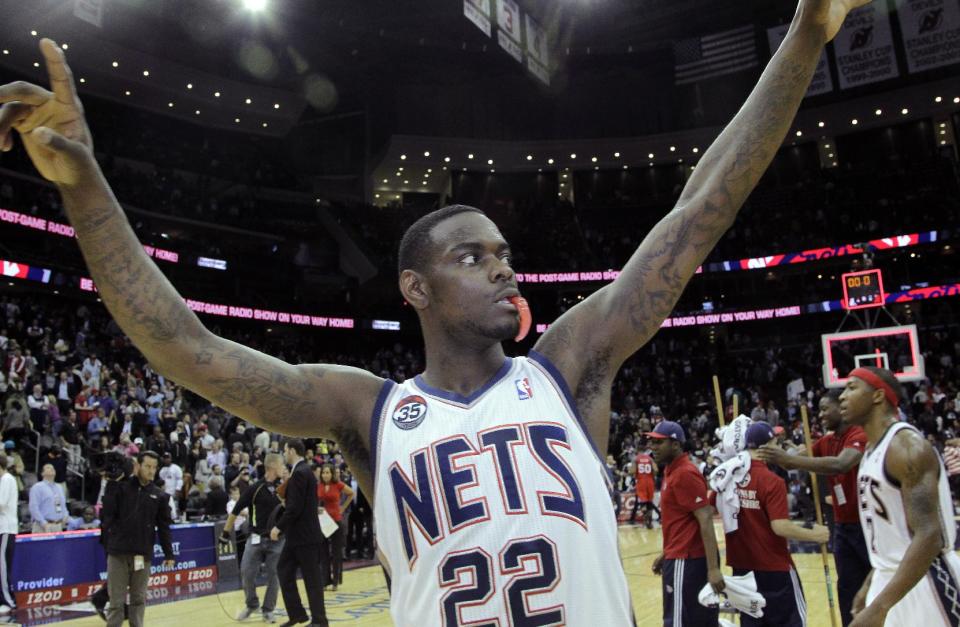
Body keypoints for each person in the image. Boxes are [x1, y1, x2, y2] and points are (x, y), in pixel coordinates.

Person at [0, 3, 870, 620]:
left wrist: (804, 35)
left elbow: (697, 211)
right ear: (414, 288)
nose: (504, 269)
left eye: (504, 254)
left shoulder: (566, 366)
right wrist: (86, 187)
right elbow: (186, 346)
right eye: (473, 256)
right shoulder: (367, 411)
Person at [839, 367, 960, 627]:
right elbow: (893, 535)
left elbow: (929, 536)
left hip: (926, 580)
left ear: (878, 396)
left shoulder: (906, 448)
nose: (842, 396)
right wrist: (871, 582)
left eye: (851, 388)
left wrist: (880, 606)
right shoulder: (872, 450)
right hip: (891, 580)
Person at [757, 390, 870, 625]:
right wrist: (768, 452)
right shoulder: (827, 441)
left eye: (825, 408)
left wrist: (788, 459)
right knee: (847, 587)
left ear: (841, 408)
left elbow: (841, 464)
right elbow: (796, 457)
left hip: (867, 525)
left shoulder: (858, 434)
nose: (821, 415)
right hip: (842, 526)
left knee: (874, 584)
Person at [721, 421, 830, 626]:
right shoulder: (772, 481)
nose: (780, 449)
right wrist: (815, 535)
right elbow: (779, 526)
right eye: (776, 443)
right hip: (774, 568)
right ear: (768, 446)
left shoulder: (728, 476)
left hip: (742, 570)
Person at [647, 421, 724, 626]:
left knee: (678, 621)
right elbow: (683, 521)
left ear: (675, 444)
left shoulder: (684, 473)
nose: (653, 447)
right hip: (678, 555)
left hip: (686, 560)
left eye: (658, 442)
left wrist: (713, 569)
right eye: (651, 442)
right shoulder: (671, 470)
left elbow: (705, 518)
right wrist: (666, 554)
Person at [100, 451, 175, 627]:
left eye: (154, 467)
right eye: (147, 466)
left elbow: (164, 528)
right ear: (138, 466)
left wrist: (169, 554)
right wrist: (111, 483)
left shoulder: (160, 496)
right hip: (118, 553)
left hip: (143, 554)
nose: (151, 471)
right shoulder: (121, 487)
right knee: (116, 601)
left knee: (139, 599)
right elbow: (108, 512)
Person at [221, 452, 285, 623]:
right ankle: (252, 604)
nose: (283, 469)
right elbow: (236, 510)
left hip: (278, 540)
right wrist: (225, 533)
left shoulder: (284, 489)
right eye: (281, 465)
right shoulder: (255, 488)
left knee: (274, 575)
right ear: (272, 467)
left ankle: (268, 610)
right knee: (246, 572)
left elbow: (292, 512)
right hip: (256, 537)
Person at [271, 439, 327, 627]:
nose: (284, 453)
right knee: (283, 570)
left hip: (305, 536)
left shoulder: (301, 473)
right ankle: (297, 614)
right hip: (297, 536)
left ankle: (319, 621)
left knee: (312, 579)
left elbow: (295, 508)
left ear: (293, 451)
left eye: (285, 450)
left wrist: (278, 527)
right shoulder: (301, 472)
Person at [317, 463, 354, 590]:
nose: (325, 475)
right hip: (323, 522)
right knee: (323, 553)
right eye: (323, 472)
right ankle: (325, 581)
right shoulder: (319, 486)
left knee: (336, 552)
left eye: (327, 472)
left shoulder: (337, 484)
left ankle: (336, 581)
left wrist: (343, 507)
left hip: (336, 521)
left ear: (332, 474)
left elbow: (351, 493)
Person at [0, 453, 17, 614]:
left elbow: (1, 503)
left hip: (6, 528)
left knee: (3, 566)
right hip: (2, 528)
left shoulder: (7, 479)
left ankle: (9, 601)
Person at [29, 463, 68, 532]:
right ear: (42, 473)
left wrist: (65, 515)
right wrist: (43, 523)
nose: (51, 468)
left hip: (58, 525)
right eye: (48, 467)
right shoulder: (37, 487)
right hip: (43, 526)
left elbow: (63, 505)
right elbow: (33, 507)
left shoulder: (59, 487)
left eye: (53, 468)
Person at [629, 445, 659, 527]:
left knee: (642, 502)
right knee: (649, 502)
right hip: (650, 481)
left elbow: (632, 471)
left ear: (637, 451)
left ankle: (646, 519)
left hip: (641, 482)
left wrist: (634, 474)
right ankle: (649, 520)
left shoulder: (636, 459)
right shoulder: (650, 458)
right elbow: (656, 470)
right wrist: (651, 475)